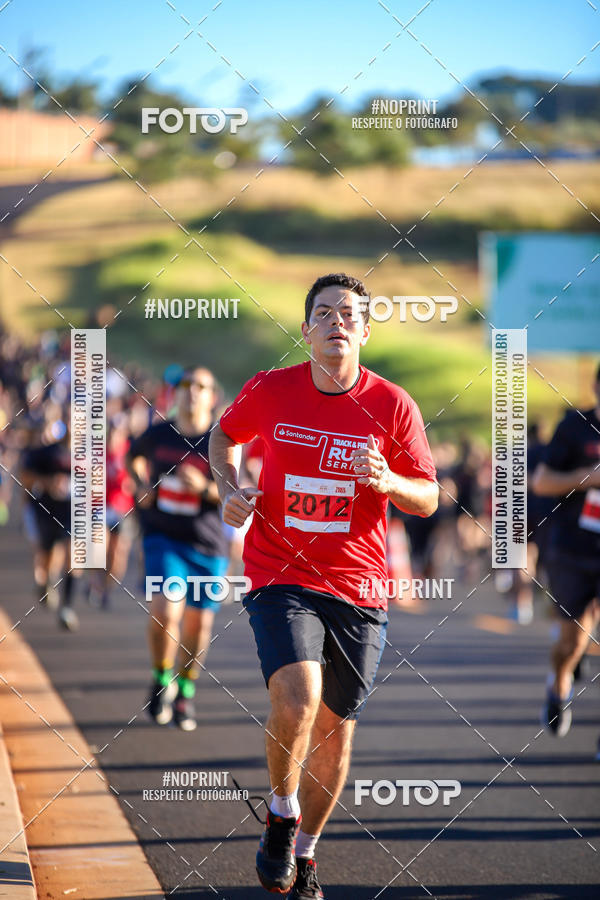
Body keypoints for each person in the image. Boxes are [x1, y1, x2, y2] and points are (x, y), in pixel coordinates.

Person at [209, 273, 438, 899]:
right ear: (306, 329)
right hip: (280, 570)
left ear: (364, 330)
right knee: (298, 696)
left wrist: (389, 482)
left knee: (335, 731)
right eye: (323, 313)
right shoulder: (271, 389)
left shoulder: (393, 405)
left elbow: (430, 496)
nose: (336, 322)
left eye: (348, 314)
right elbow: (225, 435)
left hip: (359, 587)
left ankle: (306, 852)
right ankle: (282, 814)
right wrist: (230, 489)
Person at [127, 366, 229, 731]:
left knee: (198, 627)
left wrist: (203, 487)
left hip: (207, 543)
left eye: (201, 386)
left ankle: (185, 689)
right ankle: (160, 678)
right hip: (163, 537)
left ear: (212, 396)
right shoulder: (157, 435)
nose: (192, 392)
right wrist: (141, 485)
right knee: (165, 612)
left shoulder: (223, 440)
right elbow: (132, 457)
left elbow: (235, 493)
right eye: (186, 385)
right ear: (177, 393)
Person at [533, 364, 600, 749]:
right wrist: (587, 478)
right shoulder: (575, 427)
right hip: (573, 549)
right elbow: (541, 481)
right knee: (572, 644)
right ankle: (559, 684)